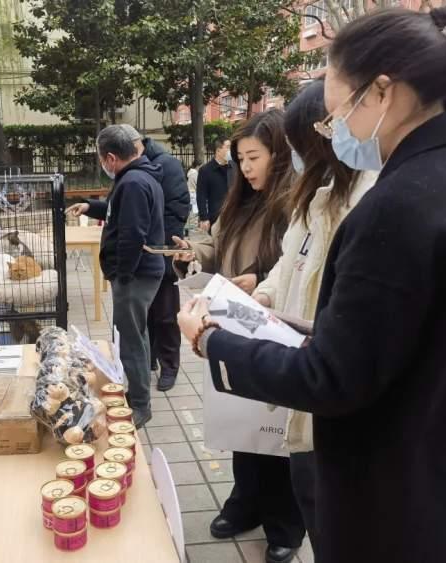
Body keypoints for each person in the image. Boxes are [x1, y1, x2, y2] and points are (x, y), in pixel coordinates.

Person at [178, 4, 446, 562]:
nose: (334, 134)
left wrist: (213, 341)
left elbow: (331, 379)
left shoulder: (400, 205)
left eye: (336, 115)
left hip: (394, 501)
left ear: (381, 93)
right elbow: (413, 333)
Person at [172, 110, 304, 563]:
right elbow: (220, 245)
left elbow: (295, 269)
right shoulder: (243, 199)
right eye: (240, 159)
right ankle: (244, 503)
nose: (245, 168)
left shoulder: (297, 204)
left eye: (254, 157)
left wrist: (257, 282)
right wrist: (195, 251)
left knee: (277, 433)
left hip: (278, 329)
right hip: (233, 324)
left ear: (280, 154)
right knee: (240, 422)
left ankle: (285, 522)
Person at [250, 80, 378, 544]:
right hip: (302, 397)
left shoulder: (370, 203)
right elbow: (291, 261)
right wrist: (262, 296)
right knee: (309, 496)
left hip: (333, 404)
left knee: (336, 526)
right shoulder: (315, 197)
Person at [66, 124, 165, 428]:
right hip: (140, 272)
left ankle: (139, 404)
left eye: (100, 159)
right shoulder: (136, 177)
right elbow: (116, 211)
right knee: (136, 333)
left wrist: (121, 274)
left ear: (110, 158)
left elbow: (131, 233)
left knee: (130, 339)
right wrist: (92, 206)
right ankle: (138, 390)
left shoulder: (133, 182)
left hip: (135, 275)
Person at [121, 126, 190, 391]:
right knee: (145, 313)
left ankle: (169, 366)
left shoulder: (167, 165)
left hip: (161, 251)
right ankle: (148, 360)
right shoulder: (134, 166)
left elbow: (179, 207)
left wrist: (162, 245)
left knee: (165, 314)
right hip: (141, 254)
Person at [196, 137, 231, 231]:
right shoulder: (206, 170)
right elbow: (201, 195)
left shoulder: (234, 169)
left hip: (234, 217)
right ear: (218, 150)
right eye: (228, 147)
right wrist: (204, 217)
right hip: (216, 217)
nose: (230, 150)